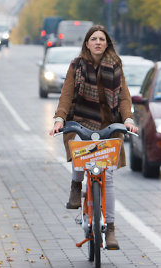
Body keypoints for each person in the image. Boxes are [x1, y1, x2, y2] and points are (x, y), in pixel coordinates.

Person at [48, 24, 138, 250]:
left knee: (107, 178)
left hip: (108, 125)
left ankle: (111, 229)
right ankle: (76, 185)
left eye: (102, 39)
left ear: (107, 43)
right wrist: (60, 119)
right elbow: (66, 94)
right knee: (79, 156)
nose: (98, 42)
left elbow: (124, 97)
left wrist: (128, 119)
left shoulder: (116, 66)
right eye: (94, 39)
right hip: (80, 122)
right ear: (87, 43)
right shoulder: (76, 65)